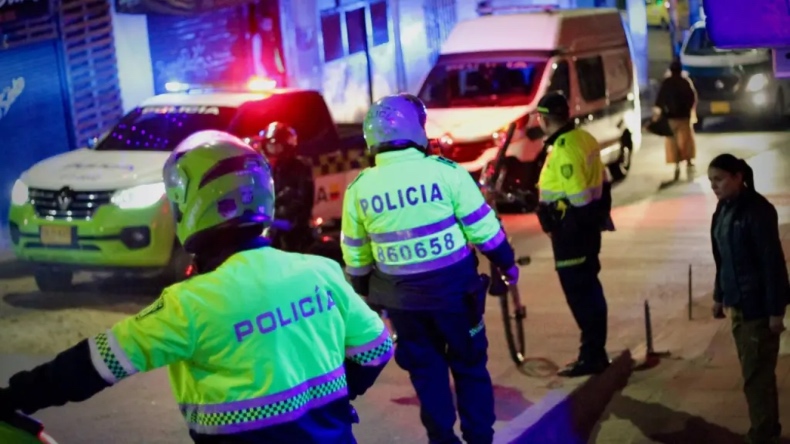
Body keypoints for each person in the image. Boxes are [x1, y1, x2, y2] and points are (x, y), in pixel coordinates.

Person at [0, 131, 393, 444]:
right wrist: (333, 399)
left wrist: (13, 397)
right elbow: (376, 349)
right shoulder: (320, 272)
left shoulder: (189, 304)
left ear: (192, 206)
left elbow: (94, 365)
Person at [341, 93, 519, 444]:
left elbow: (356, 256)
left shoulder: (359, 189)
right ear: (416, 130)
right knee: (469, 367)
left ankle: (442, 439)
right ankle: (479, 438)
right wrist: (507, 263)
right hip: (456, 296)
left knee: (427, 373)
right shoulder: (445, 173)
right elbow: (484, 230)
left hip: (404, 304)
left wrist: (365, 295)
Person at [708, 154, 790, 444]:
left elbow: (772, 262)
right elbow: (722, 259)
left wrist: (776, 311)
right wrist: (719, 296)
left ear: (738, 177)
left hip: (757, 306)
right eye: (711, 181)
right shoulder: (723, 209)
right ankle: (767, 427)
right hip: (738, 304)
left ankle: (762, 433)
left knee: (756, 374)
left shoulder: (757, 211)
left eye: (719, 179)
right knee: (754, 371)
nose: (714, 186)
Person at [535, 92, 613, 378]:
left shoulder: (564, 149)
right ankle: (596, 352)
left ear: (544, 119)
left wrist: (561, 222)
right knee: (590, 288)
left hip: (572, 235)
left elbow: (578, 195)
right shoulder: (584, 138)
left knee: (580, 295)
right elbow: (604, 181)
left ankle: (591, 355)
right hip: (586, 231)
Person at [263, 121, 316, 252]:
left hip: (293, 231)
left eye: (277, 146)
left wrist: (281, 212)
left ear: (287, 147)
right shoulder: (267, 169)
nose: (273, 151)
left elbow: (302, 201)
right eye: (270, 146)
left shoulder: (300, 168)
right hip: (272, 226)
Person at [655, 59, 698, 182]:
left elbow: (660, 100)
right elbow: (692, 98)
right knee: (686, 141)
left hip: (671, 118)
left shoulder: (667, 83)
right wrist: (688, 110)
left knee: (672, 143)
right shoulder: (685, 82)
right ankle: (689, 162)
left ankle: (677, 165)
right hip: (684, 117)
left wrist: (662, 112)